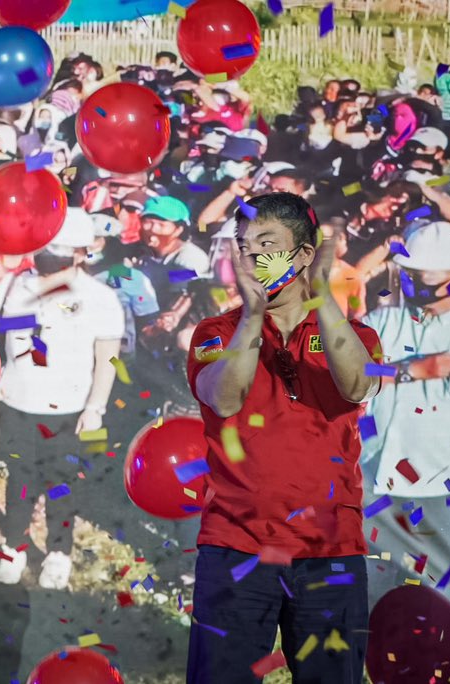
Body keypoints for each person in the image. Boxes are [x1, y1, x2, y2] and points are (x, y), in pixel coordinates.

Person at [185, 192, 383, 683]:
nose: (252, 259)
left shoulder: (356, 335)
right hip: (237, 547)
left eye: (266, 246)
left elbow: (358, 384)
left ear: (303, 255)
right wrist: (252, 315)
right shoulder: (216, 331)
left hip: (330, 552)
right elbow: (224, 399)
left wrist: (321, 295)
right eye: (244, 247)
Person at [0, 208, 124, 590]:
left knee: (61, 483)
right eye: (43, 256)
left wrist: (96, 407)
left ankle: (59, 552)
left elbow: (107, 357)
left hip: (69, 410)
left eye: (58, 259)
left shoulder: (100, 298)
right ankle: (14, 545)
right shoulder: (13, 285)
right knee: (20, 480)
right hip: (18, 403)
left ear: (81, 253)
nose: (48, 266)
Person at [358, 221, 450, 639]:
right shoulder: (387, 319)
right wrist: (409, 371)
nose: (415, 284)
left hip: (445, 488)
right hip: (375, 480)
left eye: (426, 277)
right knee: (364, 593)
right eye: (410, 276)